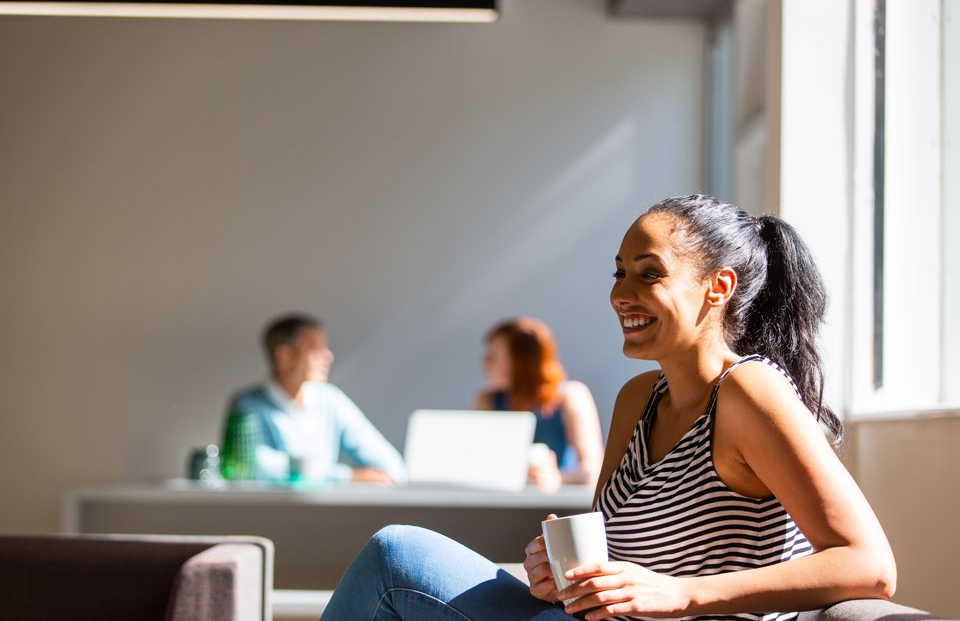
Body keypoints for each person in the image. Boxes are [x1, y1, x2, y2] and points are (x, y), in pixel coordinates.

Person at [319, 194, 896, 621]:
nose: (622, 294)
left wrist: (683, 593)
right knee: (393, 558)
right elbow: (612, 553)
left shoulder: (749, 392)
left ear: (717, 287)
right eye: (620, 273)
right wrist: (557, 575)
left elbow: (868, 565)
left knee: (396, 554)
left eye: (650, 274)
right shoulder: (637, 398)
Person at [222, 313, 406, 484]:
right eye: (314, 347)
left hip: (327, 512)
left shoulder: (331, 401)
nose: (328, 356)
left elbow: (390, 463)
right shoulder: (248, 405)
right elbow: (253, 463)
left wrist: (382, 476)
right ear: (284, 356)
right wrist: (346, 475)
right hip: (273, 512)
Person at [474, 317, 603, 489]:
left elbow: (593, 470)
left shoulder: (570, 396)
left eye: (493, 357)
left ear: (521, 362)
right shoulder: (487, 400)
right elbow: (476, 461)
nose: (485, 363)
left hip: (557, 506)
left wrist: (556, 478)